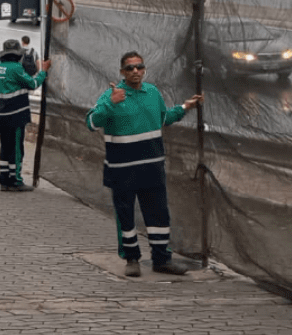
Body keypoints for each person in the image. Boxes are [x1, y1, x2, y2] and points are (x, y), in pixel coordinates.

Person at [85, 51, 203, 277]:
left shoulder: (152, 93)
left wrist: (186, 107)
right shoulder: (113, 96)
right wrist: (110, 104)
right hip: (122, 172)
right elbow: (91, 122)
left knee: (159, 215)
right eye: (130, 68)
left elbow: (164, 118)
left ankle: (162, 259)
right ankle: (132, 259)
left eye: (139, 67)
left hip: (152, 169)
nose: (136, 71)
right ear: (122, 72)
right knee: (126, 216)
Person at [0, 38, 50, 192]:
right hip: (16, 113)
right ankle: (16, 180)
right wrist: (43, 71)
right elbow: (33, 84)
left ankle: (4, 179)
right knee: (17, 147)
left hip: (1, 112)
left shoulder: (1, 67)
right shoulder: (16, 69)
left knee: (5, 146)